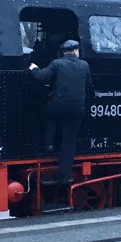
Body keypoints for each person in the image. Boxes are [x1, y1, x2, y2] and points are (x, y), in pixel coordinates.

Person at [29, 39, 93, 185]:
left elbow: (42, 76)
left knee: (49, 116)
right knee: (69, 142)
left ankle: (49, 145)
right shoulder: (84, 65)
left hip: (58, 105)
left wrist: (33, 68)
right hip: (77, 108)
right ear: (76, 51)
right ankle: (63, 175)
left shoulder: (57, 63)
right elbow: (89, 84)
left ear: (63, 53)